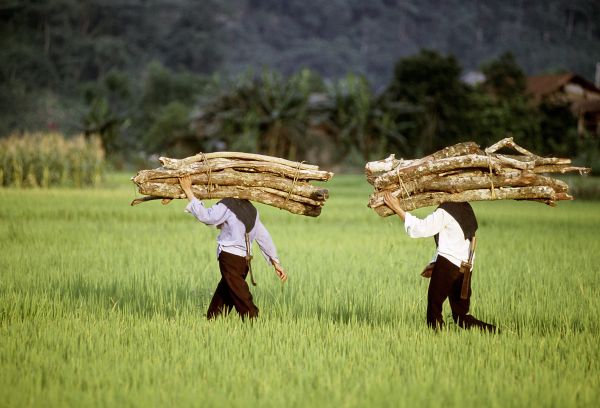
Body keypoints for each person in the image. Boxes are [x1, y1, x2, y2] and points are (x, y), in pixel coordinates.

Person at [383, 192, 497, 332]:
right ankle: (495, 332)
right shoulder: (466, 207)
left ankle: (436, 341)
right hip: (466, 267)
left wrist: (397, 209)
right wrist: (434, 262)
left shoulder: (446, 210)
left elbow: (422, 228)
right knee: (461, 316)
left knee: (434, 309)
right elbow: (456, 239)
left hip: (447, 265)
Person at [179, 175, 287, 320]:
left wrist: (188, 191)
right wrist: (275, 262)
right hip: (244, 263)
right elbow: (264, 237)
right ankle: (212, 320)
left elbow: (206, 216)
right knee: (228, 291)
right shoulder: (252, 209)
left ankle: (252, 320)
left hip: (230, 259)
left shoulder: (228, 204)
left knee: (239, 295)